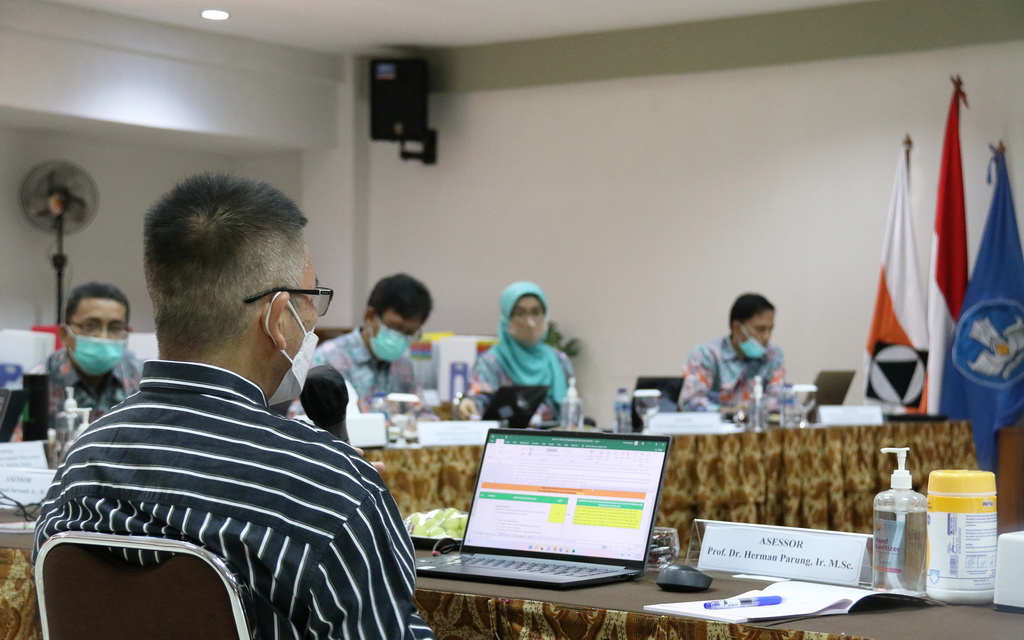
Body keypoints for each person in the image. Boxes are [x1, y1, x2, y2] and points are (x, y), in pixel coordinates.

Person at [33, 174, 435, 640]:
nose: (313, 320)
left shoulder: (80, 466)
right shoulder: (330, 487)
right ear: (278, 318)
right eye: (312, 300)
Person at [310, 274, 432, 412]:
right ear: (370, 316)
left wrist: (425, 420)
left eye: (409, 333)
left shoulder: (403, 366)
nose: (400, 338)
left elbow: (421, 411)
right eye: (395, 327)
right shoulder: (328, 360)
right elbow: (304, 418)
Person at [458, 281, 573, 422]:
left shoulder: (559, 360)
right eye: (520, 313)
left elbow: (570, 408)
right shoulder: (491, 362)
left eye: (536, 312)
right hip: (505, 435)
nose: (530, 322)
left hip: (553, 435)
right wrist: (470, 403)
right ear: (507, 318)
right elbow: (480, 398)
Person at [30, 281, 143, 422]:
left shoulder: (141, 377)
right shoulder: (37, 383)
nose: (103, 337)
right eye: (91, 326)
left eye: (115, 328)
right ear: (65, 335)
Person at [679, 293, 786, 412]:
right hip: (716, 423)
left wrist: (753, 409)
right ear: (737, 327)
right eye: (760, 329)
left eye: (770, 329)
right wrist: (728, 411)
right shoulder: (707, 354)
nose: (766, 336)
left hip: (758, 423)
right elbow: (691, 402)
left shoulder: (773, 356)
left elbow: (779, 400)